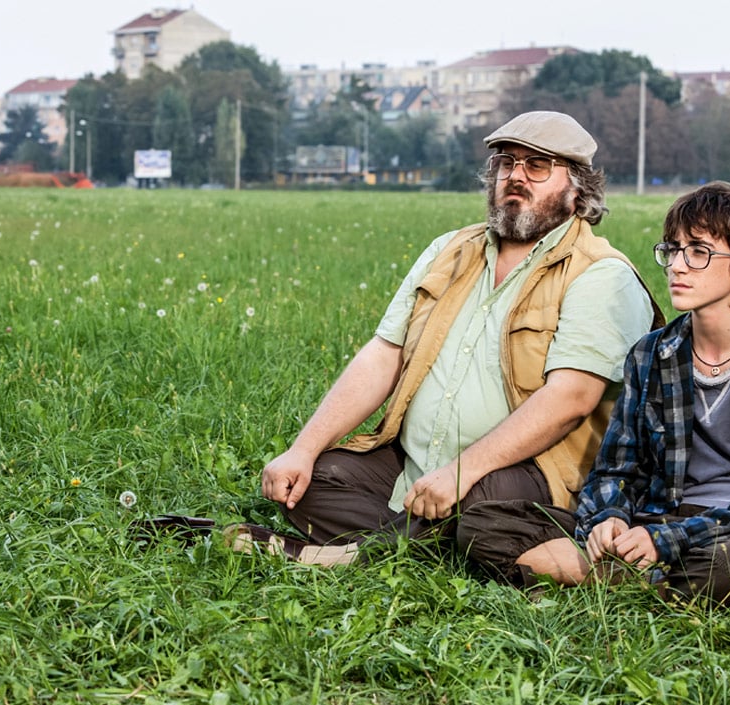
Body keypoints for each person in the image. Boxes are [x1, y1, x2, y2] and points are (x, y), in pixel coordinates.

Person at [227, 111, 661, 566]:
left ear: (577, 189)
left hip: (528, 475)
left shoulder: (601, 273)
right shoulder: (449, 249)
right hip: (419, 464)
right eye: (506, 163)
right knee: (309, 482)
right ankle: (434, 544)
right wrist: (303, 448)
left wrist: (461, 473)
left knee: (481, 508)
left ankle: (340, 556)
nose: (515, 176)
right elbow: (384, 354)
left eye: (537, 166)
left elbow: (570, 399)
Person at [457, 181, 730, 604]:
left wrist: (668, 539)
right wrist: (609, 518)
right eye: (672, 249)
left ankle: (606, 578)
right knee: (482, 524)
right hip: (654, 517)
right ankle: (645, 581)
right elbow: (617, 469)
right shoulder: (652, 354)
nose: (677, 266)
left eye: (698, 252)